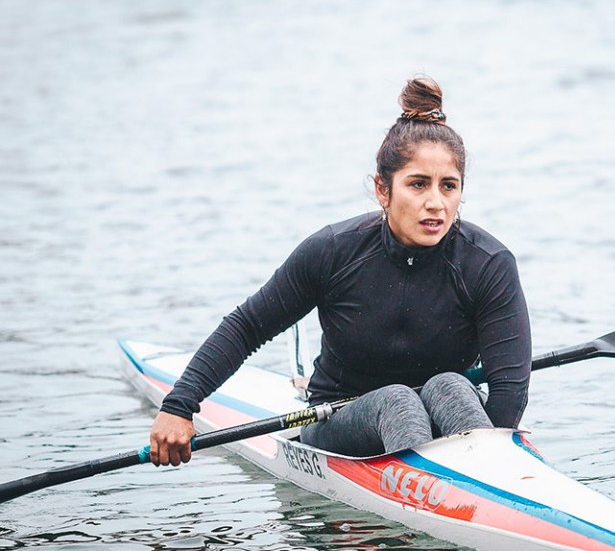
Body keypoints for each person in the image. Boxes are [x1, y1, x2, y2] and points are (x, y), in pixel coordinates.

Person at [149, 76, 532, 466]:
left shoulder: (489, 264)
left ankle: (487, 476)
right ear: (384, 190)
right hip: (339, 421)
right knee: (398, 399)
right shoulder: (333, 252)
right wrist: (179, 406)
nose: (436, 202)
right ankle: (433, 489)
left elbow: (509, 393)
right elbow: (246, 328)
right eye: (418, 184)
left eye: (448, 186)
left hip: (450, 424)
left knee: (450, 386)